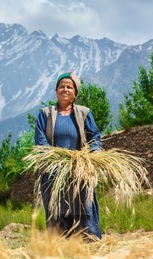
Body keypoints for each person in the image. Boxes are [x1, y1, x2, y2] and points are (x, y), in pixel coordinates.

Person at [34, 71, 102, 240]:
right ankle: (60, 247)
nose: (65, 89)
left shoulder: (83, 113)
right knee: (56, 208)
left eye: (69, 87)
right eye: (61, 86)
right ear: (56, 91)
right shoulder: (46, 114)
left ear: (75, 93)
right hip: (53, 172)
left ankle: (87, 243)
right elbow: (40, 139)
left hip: (79, 171)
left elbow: (95, 137)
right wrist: (55, 159)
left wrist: (93, 154)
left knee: (83, 207)